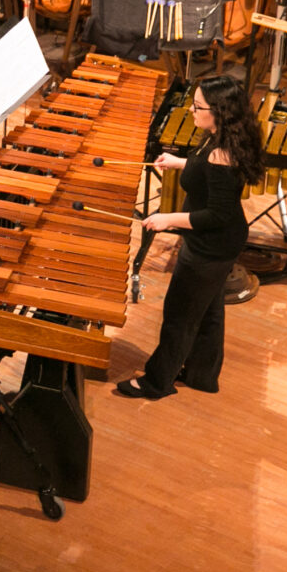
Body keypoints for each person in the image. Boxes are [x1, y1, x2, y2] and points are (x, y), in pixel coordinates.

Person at [116, 74, 262, 399]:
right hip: (220, 242)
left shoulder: (223, 154)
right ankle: (202, 375)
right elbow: (205, 169)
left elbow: (215, 215)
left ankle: (156, 383)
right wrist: (180, 162)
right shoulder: (218, 137)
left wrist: (168, 219)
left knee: (179, 316)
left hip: (211, 247)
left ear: (219, 112)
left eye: (198, 107)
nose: (192, 111)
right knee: (209, 309)